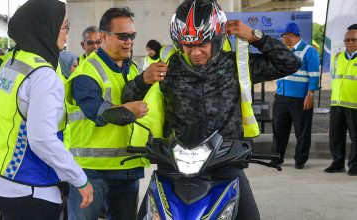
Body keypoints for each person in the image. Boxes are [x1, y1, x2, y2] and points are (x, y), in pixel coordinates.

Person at [124, 1, 301, 219]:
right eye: (188, 46)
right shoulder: (167, 66)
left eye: (203, 44)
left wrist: (256, 36)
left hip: (225, 162)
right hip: (173, 162)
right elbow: (127, 99)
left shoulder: (236, 64)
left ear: (217, 39)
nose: (195, 52)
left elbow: (290, 63)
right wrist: (142, 80)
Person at [0, 0, 93, 219]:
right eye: (64, 26)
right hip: (22, 181)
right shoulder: (43, 75)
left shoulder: (11, 60)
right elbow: (42, 139)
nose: (67, 34)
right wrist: (79, 179)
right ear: (45, 26)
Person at [65, 7, 165, 220]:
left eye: (132, 36)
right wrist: (130, 108)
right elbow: (100, 113)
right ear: (103, 36)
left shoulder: (134, 69)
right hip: (91, 171)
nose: (129, 41)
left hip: (127, 167)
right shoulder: (86, 72)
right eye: (123, 36)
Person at [271, 22, 320, 169]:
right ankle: (276, 158)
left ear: (290, 36)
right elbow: (281, 72)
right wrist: (279, 88)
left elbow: (314, 75)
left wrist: (310, 94)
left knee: (302, 131)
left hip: (300, 98)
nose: (281, 38)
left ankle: (300, 160)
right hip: (281, 96)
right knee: (279, 130)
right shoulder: (284, 50)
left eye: (283, 35)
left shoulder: (309, 51)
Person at [324, 24, 357, 176]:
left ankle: (355, 165)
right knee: (335, 136)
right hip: (337, 103)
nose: (350, 42)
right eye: (347, 40)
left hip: (354, 105)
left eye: (354, 40)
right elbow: (334, 78)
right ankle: (337, 163)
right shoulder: (336, 58)